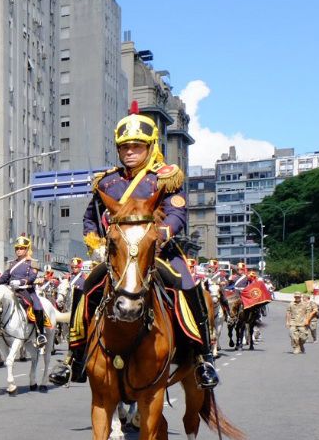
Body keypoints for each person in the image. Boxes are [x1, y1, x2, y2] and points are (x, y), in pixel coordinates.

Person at [50, 104, 219, 388]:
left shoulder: (164, 176)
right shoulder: (107, 182)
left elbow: (177, 211)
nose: (130, 152)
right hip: (117, 254)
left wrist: (159, 236)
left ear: (150, 147)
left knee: (188, 286)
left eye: (136, 146)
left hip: (157, 252)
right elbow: (91, 218)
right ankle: (74, 357)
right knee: (83, 289)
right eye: (124, 147)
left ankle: (203, 358)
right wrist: (96, 243)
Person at [0, 236, 46, 345]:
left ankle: (40, 334)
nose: (19, 250)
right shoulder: (11, 264)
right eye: (17, 248)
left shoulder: (32, 263)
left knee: (38, 307)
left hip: (26, 291)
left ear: (27, 249)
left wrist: (20, 282)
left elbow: (32, 277)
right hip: (12, 291)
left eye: (21, 248)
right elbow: (4, 277)